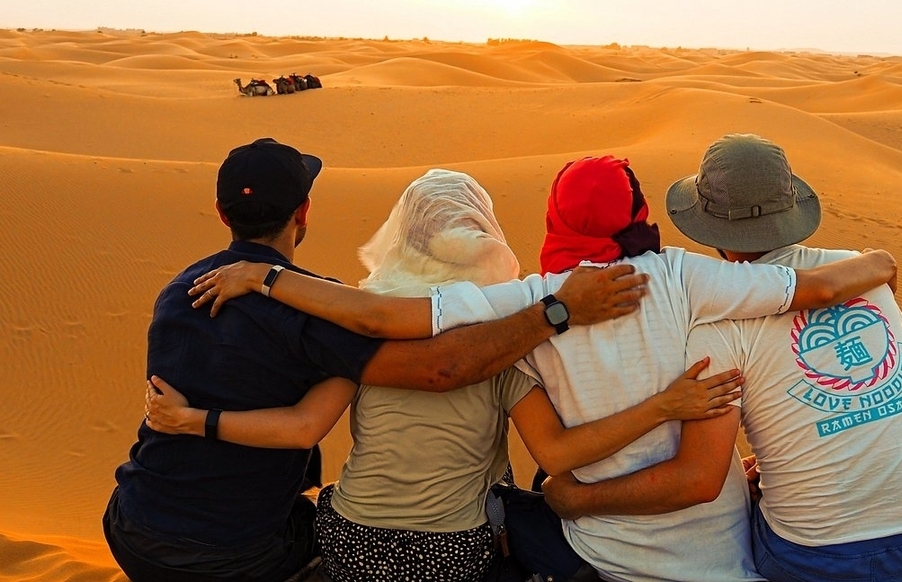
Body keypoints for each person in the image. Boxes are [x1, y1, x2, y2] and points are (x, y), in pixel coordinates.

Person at [144, 169, 742, 582]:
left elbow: (307, 424)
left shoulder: (361, 329)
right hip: (450, 555)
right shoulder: (507, 335)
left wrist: (195, 418)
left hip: (350, 542)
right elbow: (557, 452)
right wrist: (664, 406)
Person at [372, 154, 897, 582]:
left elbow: (406, 328)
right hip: (721, 554)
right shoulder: (687, 277)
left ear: (556, 214)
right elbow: (816, 289)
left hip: (607, 555)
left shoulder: (531, 303)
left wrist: (292, 290)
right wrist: (879, 262)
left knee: (523, 499)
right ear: (637, 211)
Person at [543, 134, 902, 582]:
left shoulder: (716, 323)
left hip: (806, 563)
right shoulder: (860, 272)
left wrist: (578, 500)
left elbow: (699, 481)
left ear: (707, 225)